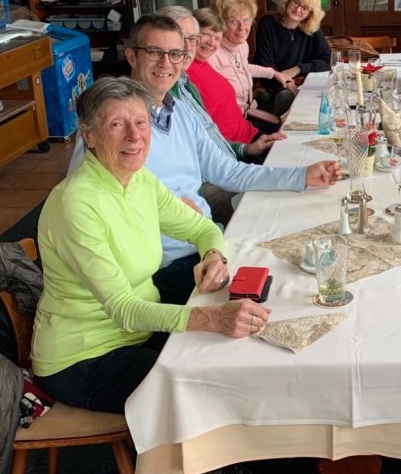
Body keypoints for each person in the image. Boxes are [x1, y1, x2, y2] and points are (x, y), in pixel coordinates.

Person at [34, 77, 277, 474]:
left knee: (218, 358)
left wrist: (214, 255)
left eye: (141, 123)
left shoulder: (137, 180)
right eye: (117, 125)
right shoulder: (76, 203)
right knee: (190, 385)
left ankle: (199, 463)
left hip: (132, 332)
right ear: (89, 135)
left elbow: (202, 227)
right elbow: (123, 308)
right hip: (81, 357)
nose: (134, 136)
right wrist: (210, 317)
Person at [68, 15, 341, 306]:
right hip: (163, 266)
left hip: (206, 244)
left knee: (301, 264)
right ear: (132, 56)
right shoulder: (111, 127)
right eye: (155, 52)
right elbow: (90, 206)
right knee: (283, 297)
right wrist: (167, 214)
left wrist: (300, 176)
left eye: (175, 53)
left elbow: (228, 171)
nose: (166, 63)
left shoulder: (180, 110)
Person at [187, 6, 284, 150]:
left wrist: (274, 73)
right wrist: (244, 150)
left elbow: (243, 69)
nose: (211, 43)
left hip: (246, 129)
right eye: (205, 34)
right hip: (235, 146)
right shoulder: (185, 72)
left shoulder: (203, 62)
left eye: (217, 38)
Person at [251, 0, 331, 115]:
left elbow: (327, 60)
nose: (298, 9)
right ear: (288, 1)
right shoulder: (267, 23)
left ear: (310, 13)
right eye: (296, 3)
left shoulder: (312, 29)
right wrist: (288, 83)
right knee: (287, 97)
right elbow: (265, 62)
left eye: (305, 8)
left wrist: (298, 69)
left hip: (302, 82)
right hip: (272, 83)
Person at [207, 0, 290, 113]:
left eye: (246, 20)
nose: (242, 27)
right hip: (228, 117)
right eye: (233, 21)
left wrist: (275, 74)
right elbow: (212, 98)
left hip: (247, 110)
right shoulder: (212, 54)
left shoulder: (242, 46)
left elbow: (244, 68)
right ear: (220, 24)